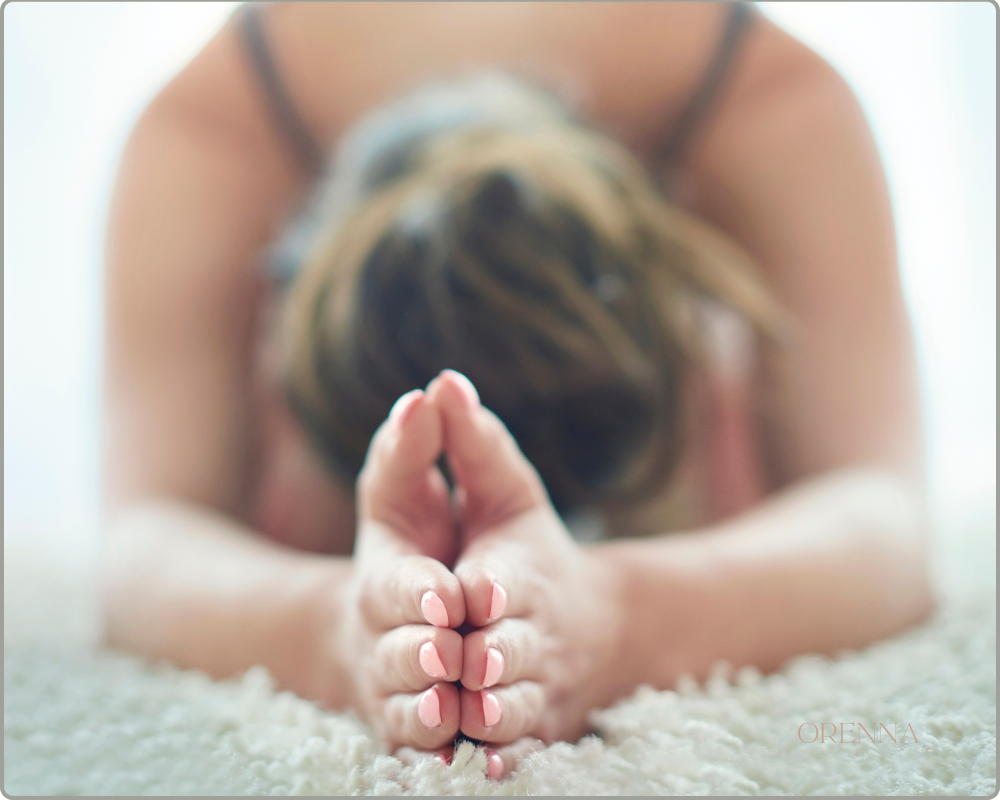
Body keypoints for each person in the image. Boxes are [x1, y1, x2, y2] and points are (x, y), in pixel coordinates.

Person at [101, 1, 933, 776]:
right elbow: (142, 546)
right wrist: (341, 629)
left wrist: (614, 616)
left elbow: (887, 522)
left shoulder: (764, 97)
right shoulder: (218, 127)